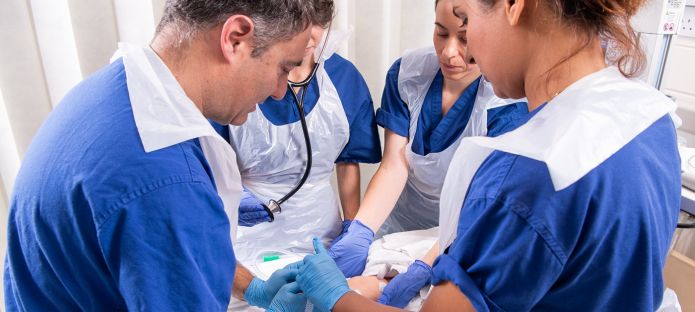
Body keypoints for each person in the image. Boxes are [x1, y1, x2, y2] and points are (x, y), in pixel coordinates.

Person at [275, 0, 683, 308]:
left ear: (512, 6)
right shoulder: (649, 114)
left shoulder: (527, 172)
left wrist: (337, 298)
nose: (461, 53)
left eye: (468, 22)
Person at [3, 1, 319, 311]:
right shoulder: (165, 181)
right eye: (284, 68)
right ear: (236, 39)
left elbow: (159, 256)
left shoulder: (112, 91)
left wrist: (253, 288)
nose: (280, 91)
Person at [326, 0, 527, 307]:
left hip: (464, 230)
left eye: (464, 38)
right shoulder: (407, 74)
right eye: (440, 33)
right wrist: (361, 230)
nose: (449, 52)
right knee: (369, 276)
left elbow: (479, 207)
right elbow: (395, 164)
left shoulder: (505, 105)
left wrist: (427, 264)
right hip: (401, 224)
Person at [210, 0, 381, 263]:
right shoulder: (238, 77)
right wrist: (234, 196)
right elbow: (210, 158)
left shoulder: (344, 78)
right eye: (298, 19)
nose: (308, 34)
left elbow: (348, 161)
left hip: (322, 230)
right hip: (247, 235)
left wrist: (352, 227)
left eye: (319, 21)